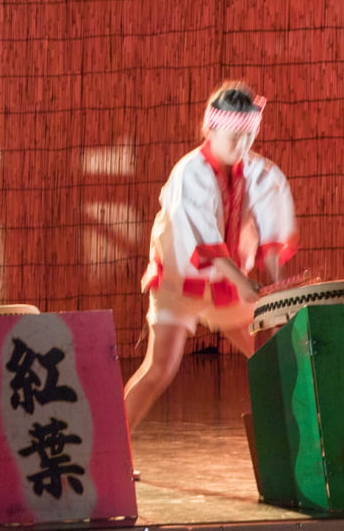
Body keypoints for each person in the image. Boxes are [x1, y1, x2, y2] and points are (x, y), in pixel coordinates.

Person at [123, 83, 296, 433]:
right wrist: (245, 283)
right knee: (160, 370)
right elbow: (205, 241)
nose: (242, 146)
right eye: (233, 137)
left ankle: (295, 444)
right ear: (210, 129)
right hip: (179, 280)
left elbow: (272, 235)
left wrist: (276, 285)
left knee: (273, 362)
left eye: (249, 136)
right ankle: (112, 451)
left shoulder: (263, 174)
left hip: (231, 285)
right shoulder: (189, 173)